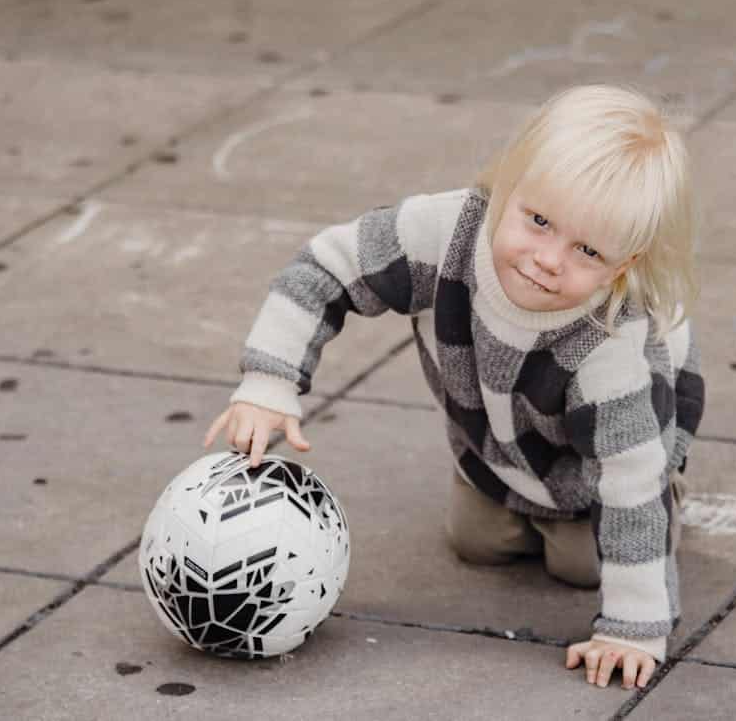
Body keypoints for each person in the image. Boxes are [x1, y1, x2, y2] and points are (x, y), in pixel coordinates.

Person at [203, 84, 705, 690]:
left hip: (603, 466)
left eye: (587, 249)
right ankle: (514, 492)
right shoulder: (444, 232)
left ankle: (661, 499)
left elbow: (627, 478)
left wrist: (634, 627)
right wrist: (268, 381)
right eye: (539, 220)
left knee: (583, 562)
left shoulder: (610, 350)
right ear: (507, 187)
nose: (548, 258)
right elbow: (327, 267)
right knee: (476, 541)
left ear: (622, 267)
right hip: (492, 446)